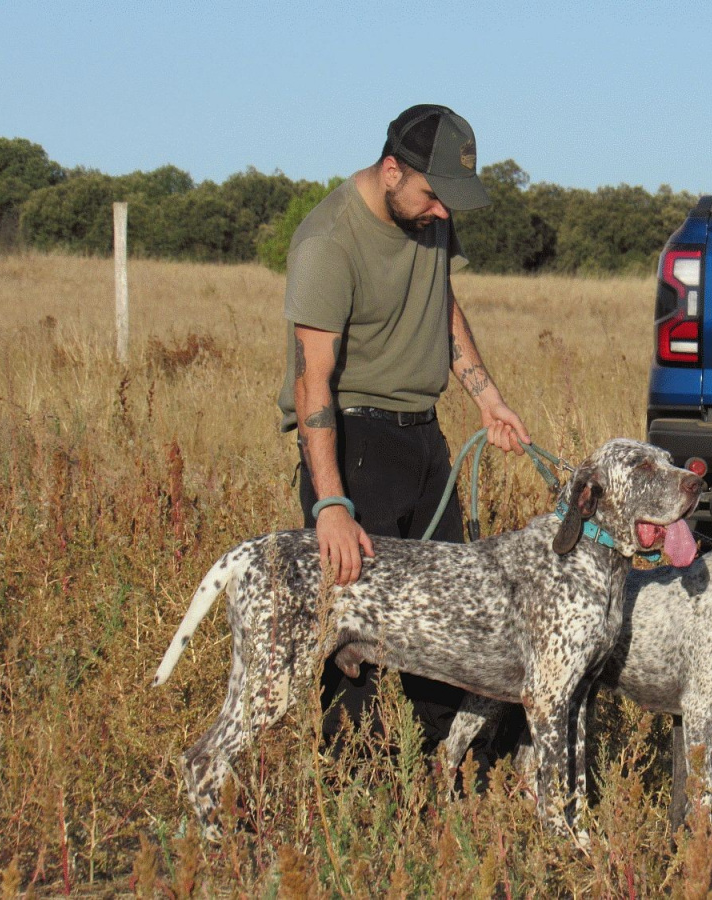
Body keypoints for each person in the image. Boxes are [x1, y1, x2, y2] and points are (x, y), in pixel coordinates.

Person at [276, 103, 530, 754]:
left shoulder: (429, 217)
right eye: (432, 196)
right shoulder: (328, 241)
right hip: (355, 445)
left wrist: (487, 398)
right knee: (355, 635)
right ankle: (353, 785)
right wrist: (332, 505)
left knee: (446, 624)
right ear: (392, 170)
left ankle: (437, 778)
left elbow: (442, 301)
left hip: (424, 439)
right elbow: (312, 384)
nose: (441, 213)